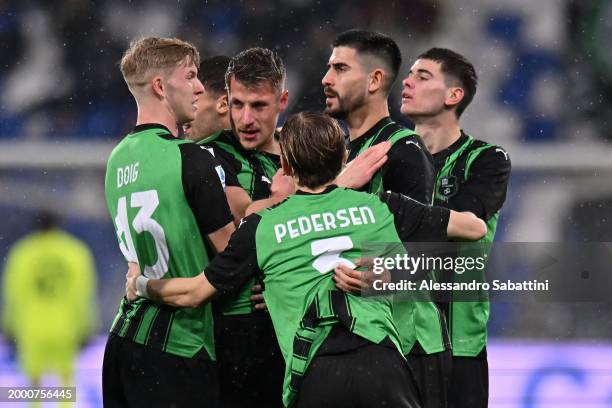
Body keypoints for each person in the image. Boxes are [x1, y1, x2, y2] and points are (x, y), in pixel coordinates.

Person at [126, 111, 488, 408]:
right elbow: (474, 229)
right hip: (384, 369)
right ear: (344, 158)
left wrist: (141, 284)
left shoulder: (261, 226)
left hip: (314, 375)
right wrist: (387, 272)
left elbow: (193, 293)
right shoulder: (381, 206)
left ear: (284, 163)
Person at [102, 36, 235, 408]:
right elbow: (233, 255)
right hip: (178, 344)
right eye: (191, 76)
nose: (198, 88)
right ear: (161, 86)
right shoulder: (189, 158)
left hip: (123, 339)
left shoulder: (115, 161)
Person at [322, 29, 451, 408]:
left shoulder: (403, 151)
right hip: (360, 341)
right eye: (329, 68)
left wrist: (376, 278)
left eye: (340, 68)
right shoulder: (338, 154)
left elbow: (426, 257)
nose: (326, 79)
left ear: (376, 80)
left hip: (408, 343)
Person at [400, 47, 511, 408]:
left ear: (454, 95)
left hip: (460, 344)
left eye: (422, 76)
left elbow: (463, 223)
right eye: (410, 74)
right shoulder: (387, 157)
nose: (407, 81)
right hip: (395, 338)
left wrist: (389, 208)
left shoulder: (486, 160)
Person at [2, 211, 97, 395]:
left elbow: (13, 294)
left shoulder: (22, 253)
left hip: (32, 327)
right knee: (65, 380)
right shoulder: (75, 252)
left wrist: (8, 326)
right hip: (65, 326)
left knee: (34, 382)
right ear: (58, 224)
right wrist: (87, 326)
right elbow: (83, 294)